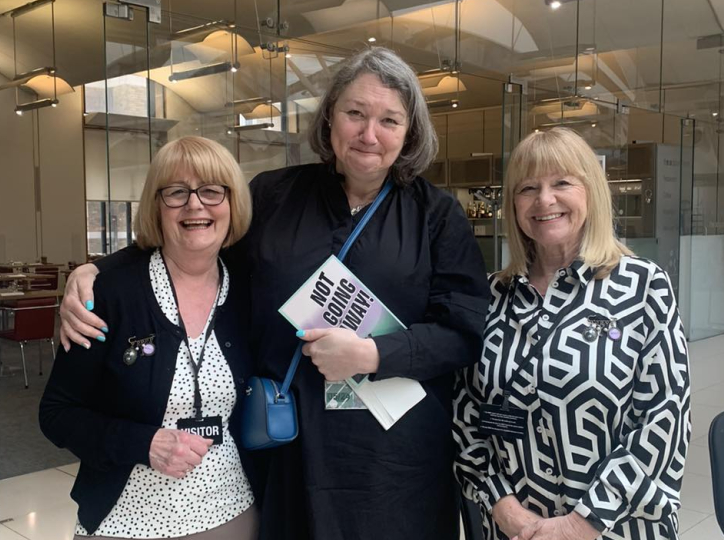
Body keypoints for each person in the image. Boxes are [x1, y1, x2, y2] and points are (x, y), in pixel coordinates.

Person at [58, 47, 490, 540]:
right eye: (355, 113)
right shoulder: (273, 196)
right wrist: (98, 270)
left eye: (390, 120)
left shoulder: (436, 216)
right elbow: (197, 246)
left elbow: (464, 330)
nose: (370, 134)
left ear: (410, 132)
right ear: (329, 118)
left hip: (392, 456)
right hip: (287, 440)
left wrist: (374, 353)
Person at [452, 127, 691, 540]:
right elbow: (465, 415)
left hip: (616, 528)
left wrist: (580, 524)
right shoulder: (490, 296)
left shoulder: (642, 287)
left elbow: (663, 418)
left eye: (562, 182)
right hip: (514, 531)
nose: (545, 200)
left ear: (591, 192)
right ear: (513, 204)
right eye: (528, 188)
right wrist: (503, 507)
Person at [39, 136, 259, 540]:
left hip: (231, 512)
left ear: (233, 203)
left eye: (212, 190)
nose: (195, 205)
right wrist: (144, 443)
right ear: (157, 207)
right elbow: (57, 413)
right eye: (176, 192)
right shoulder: (110, 295)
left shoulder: (249, 289)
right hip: (127, 520)